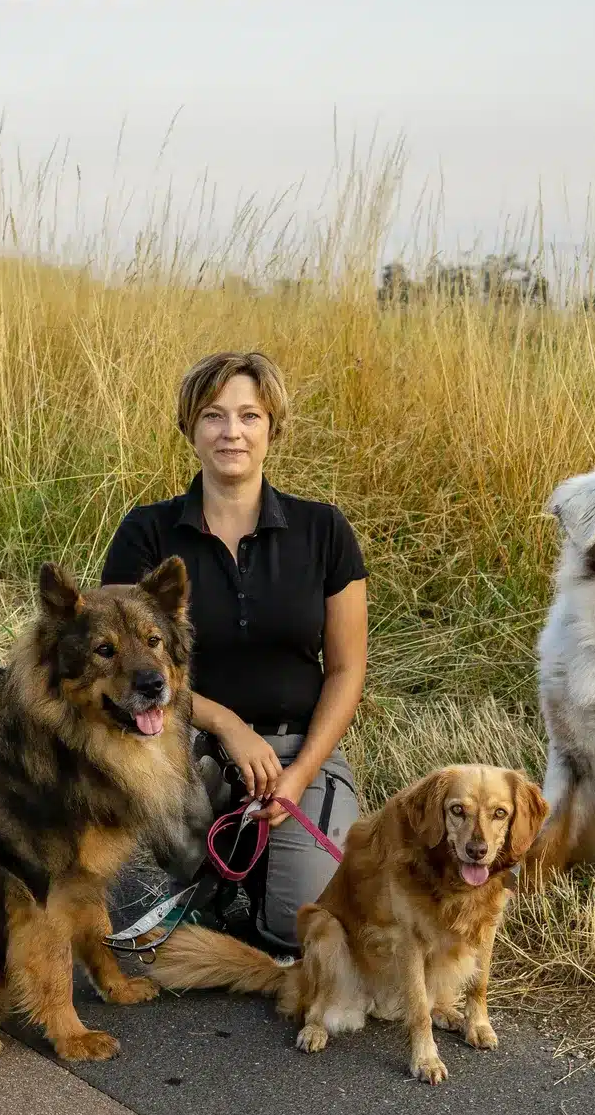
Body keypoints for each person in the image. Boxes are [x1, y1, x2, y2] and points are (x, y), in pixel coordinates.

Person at [100, 351, 367, 956]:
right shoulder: (149, 531)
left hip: (298, 752)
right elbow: (113, 666)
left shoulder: (324, 530)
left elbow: (348, 670)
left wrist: (298, 776)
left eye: (250, 415)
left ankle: (245, 879)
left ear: (273, 428)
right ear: (191, 428)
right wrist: (226, 724)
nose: (232, 432)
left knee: (300, 936)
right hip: (177, 748)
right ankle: (218, 875)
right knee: (134, 928)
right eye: (214, 416)